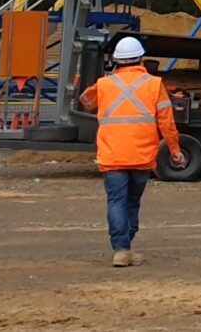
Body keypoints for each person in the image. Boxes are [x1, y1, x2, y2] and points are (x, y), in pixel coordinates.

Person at [78, 35, 184, 268]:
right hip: (142, 155)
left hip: (113, 154)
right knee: (132, 202)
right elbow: (167, 123)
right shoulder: (155, 84)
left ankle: (121, 249)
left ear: (116, 61)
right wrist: (175, 151)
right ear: (141, 59)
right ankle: (127, 245)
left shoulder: (105, 84)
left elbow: (85, 100)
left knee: (116, 200)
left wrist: (97, 84)